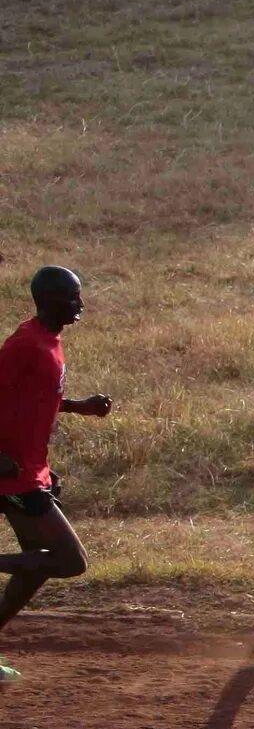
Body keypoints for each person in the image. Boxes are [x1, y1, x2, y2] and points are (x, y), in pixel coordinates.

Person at [0, 266, 115, 683]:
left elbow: (32, 397)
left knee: (35, 568)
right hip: (13, 478)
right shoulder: (25, 343)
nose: (80, 304)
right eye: (72, 297)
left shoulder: (49, 341)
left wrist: (78, 406)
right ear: (46, 299)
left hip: (31, 472)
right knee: (69, 560)